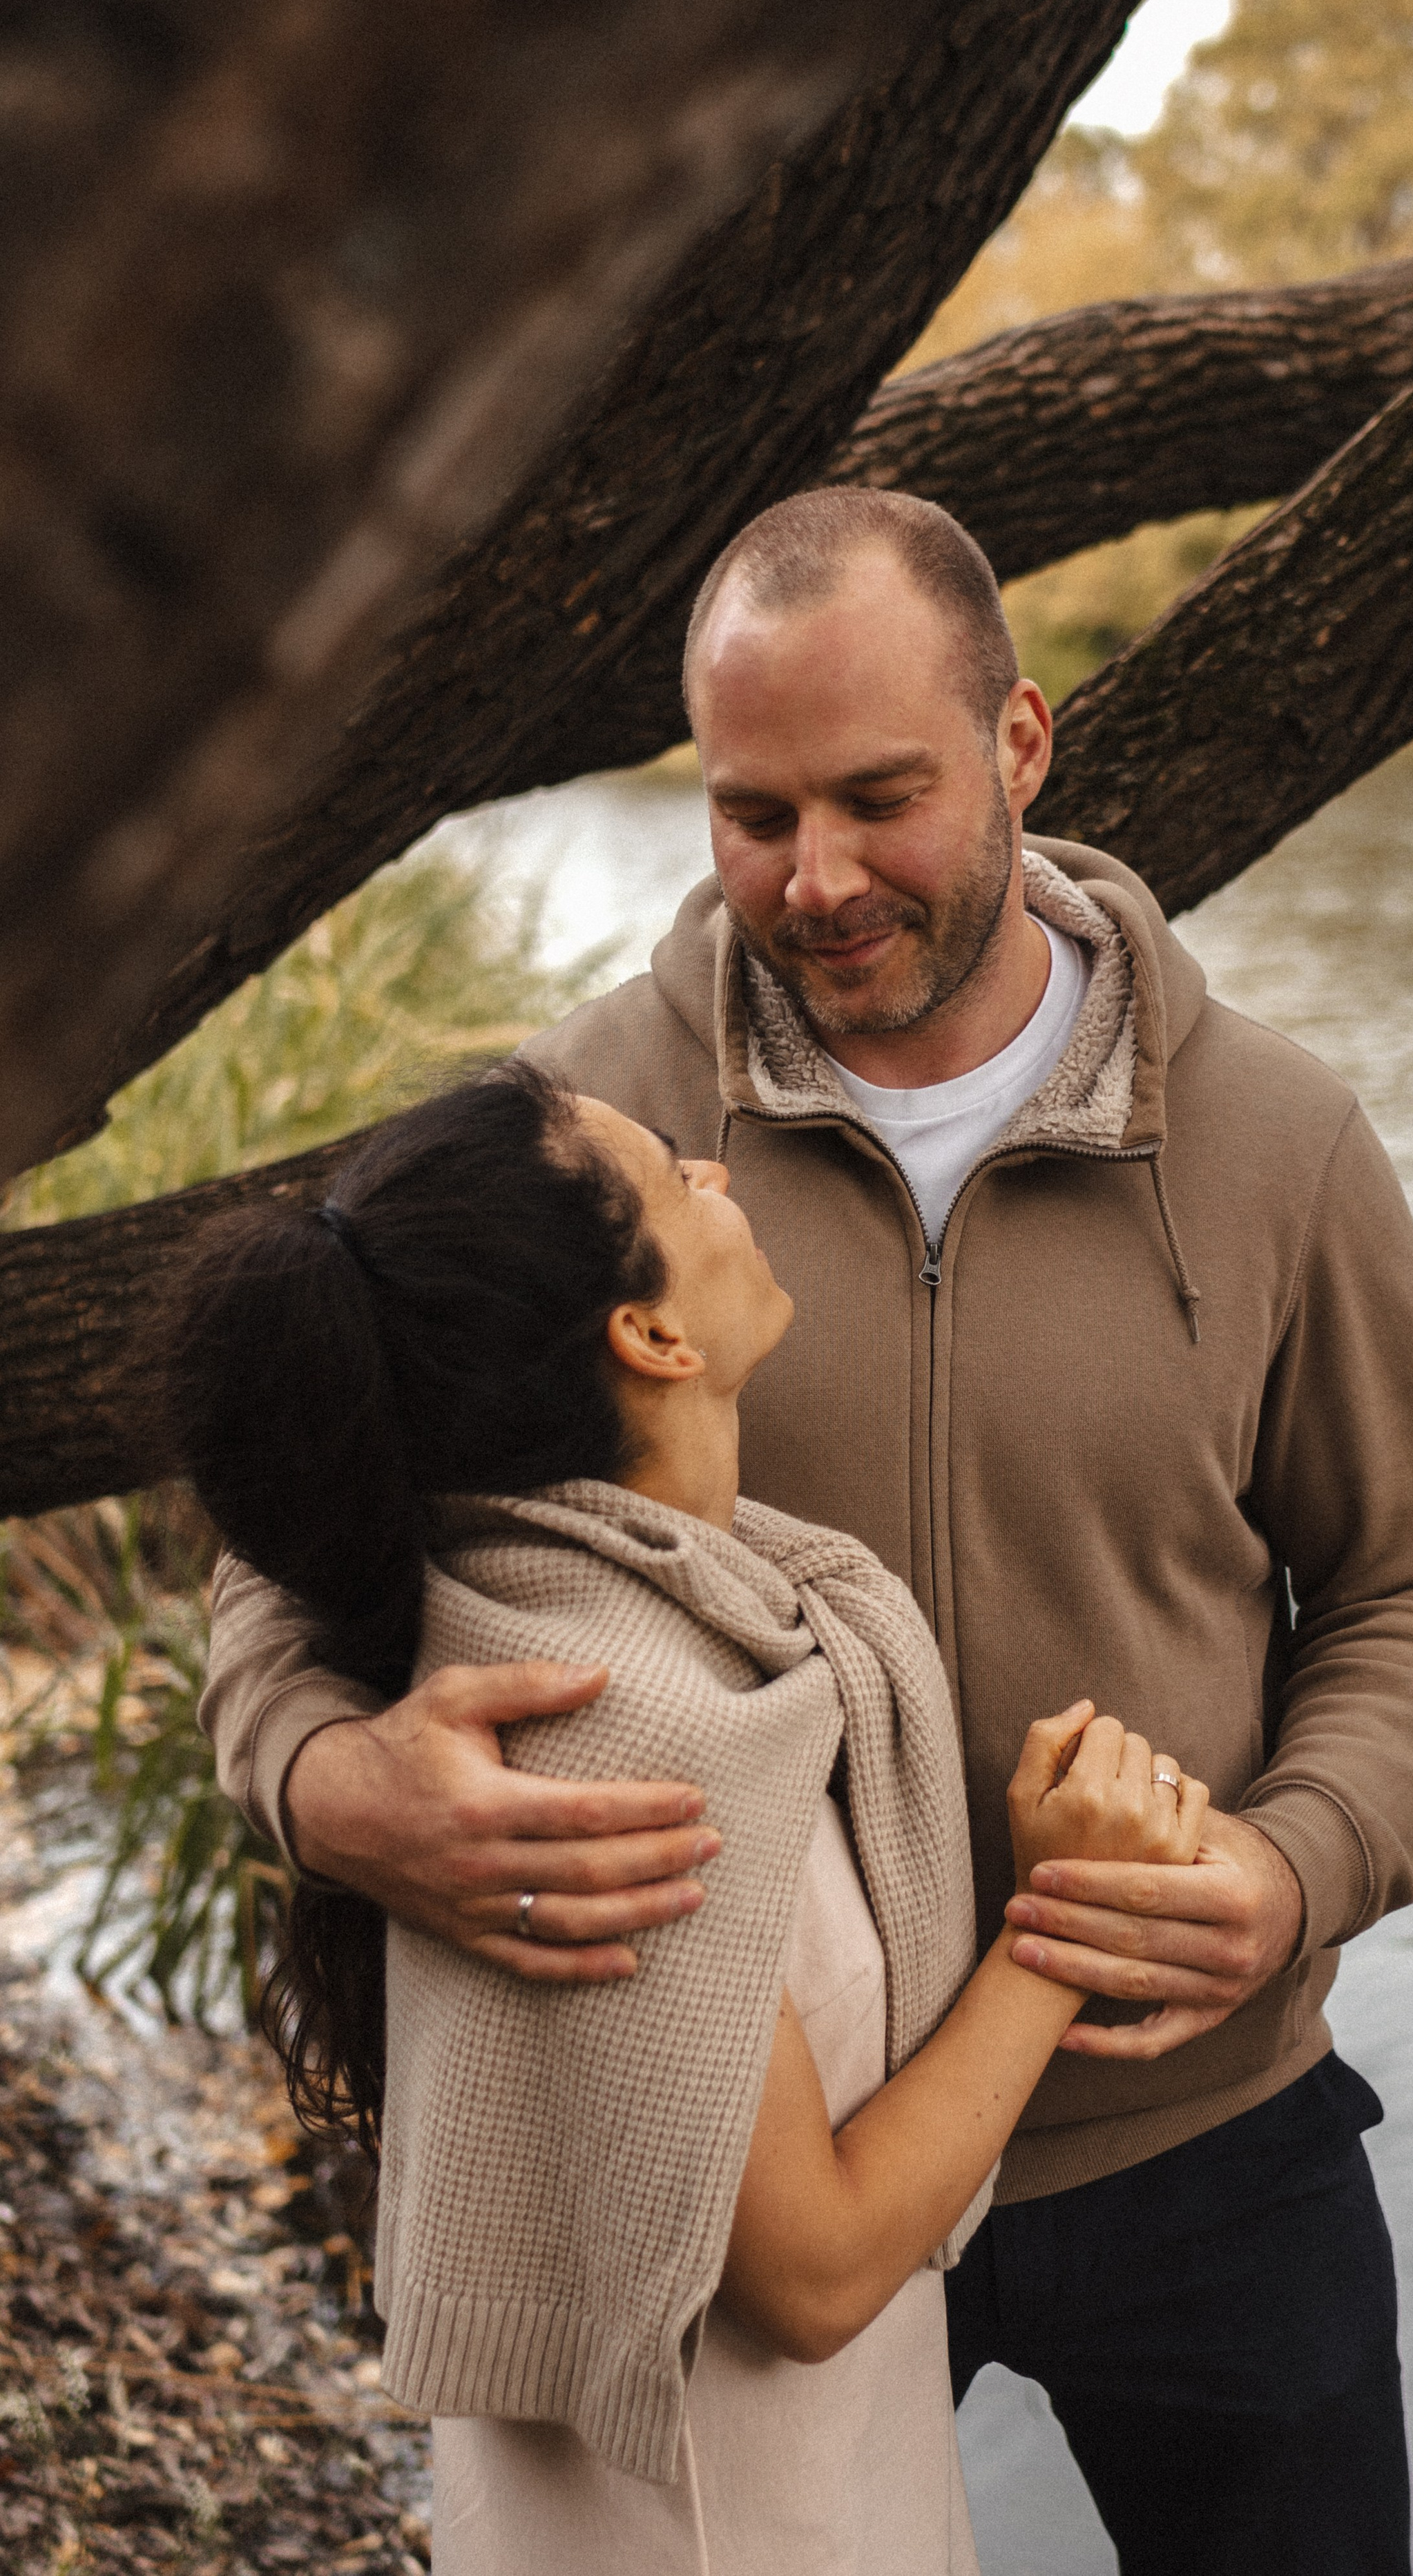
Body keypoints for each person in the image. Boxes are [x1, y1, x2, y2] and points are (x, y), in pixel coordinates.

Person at [200, 488, 1413, 2576]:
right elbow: (304, 1504)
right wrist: (319, 1768)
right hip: (760, 2157)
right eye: (751, 812)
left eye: (877, 797)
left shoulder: (1277, 1139)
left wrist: (1293, 1871)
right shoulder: (591, 1140)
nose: (812, 879)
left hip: (1186, 2133)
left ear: (1018, 746)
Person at [167, 1058, 1210, 2574]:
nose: (720, 1179)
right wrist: (1056, 1920)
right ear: (649, 1334)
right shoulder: (634, 1737)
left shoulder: (503, 1596)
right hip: (728, 2518)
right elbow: (815, 2269)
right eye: (675, 1174)